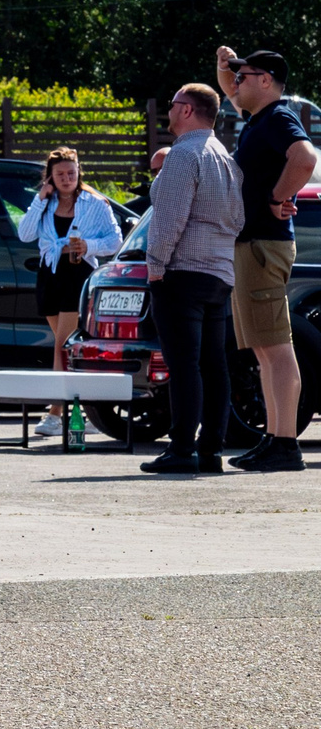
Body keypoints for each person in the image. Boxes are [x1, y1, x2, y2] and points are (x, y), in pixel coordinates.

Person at [220, 50, 319, 471]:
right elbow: (230, 89)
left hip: (264, 244)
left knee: (276, 348)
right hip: (253, 243)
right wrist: (222, 63)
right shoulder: (258, 118)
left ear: (267, 80)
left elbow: (305, 157)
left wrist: (278, 196)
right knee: (263, 349)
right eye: (236, 75)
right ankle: (275, 438)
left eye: (245, 75)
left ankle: (285, 443)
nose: (236, 81)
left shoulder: (278, 117)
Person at [141, 83, 246, 475]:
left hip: (181, 271)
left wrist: (156, 266)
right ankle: (210, 450)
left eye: (172, 105)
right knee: (213, 365)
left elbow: (169, 217)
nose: (169, 111)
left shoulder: (184, 155)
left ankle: (182, 448)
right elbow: (238, 218)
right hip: (218, 274)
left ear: (187, 110)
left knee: (184, 364)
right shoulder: (225, 157)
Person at [15, 146, 124, 437]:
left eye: (71, 173)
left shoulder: (95, 203)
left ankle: (56, 411)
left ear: (79, 173)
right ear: (49, 177)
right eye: (60, 174)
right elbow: (24, 234)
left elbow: (115, 240)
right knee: (66, 346)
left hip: (78, 274)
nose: (66, 179)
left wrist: (88, 245)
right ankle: (84, 408)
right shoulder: (46, 204)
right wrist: (39, 200)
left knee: (63, 343)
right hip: (50, 274)